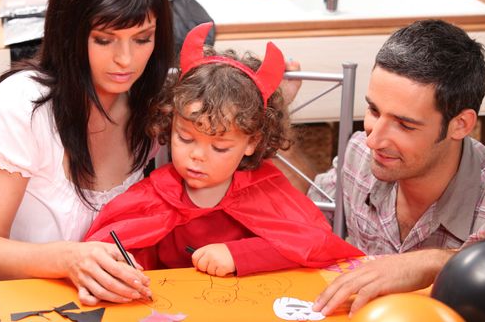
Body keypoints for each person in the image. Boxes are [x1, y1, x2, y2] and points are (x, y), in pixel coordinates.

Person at [84, 22, 363, 277]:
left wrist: (239, 255)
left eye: (219, 147)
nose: (197, 156)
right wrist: (121, 264)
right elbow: (101, 252)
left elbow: (316, 244)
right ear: (170, 125)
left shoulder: (265, 190)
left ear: (251, 143)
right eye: (186, 138)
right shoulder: (153, 196)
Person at [0, 0, 175, 305]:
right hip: (18, 304)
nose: (126, 59)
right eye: (104, 39)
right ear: (70, 33)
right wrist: (68, 259)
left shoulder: (157, 104)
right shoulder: (18, 109)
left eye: (143, 38)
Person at [305, 19, 485, 316]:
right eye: (373, 110)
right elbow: (300, 208)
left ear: (461, 124)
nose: (374, 140)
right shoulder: (358, 154)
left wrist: (431, 263)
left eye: (405, 125)